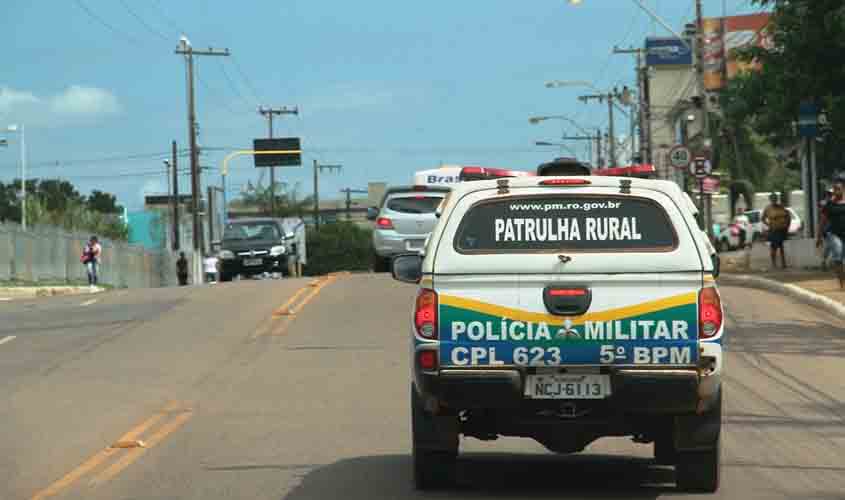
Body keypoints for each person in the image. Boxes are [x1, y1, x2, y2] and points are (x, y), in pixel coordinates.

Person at [818, 178, 845, 287]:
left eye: (838, 189)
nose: (835, 191)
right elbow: (823, 221)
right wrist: (819, 237)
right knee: (838, 258)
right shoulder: (829, 205)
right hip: (834, 234)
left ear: (843, 189)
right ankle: (842, 282)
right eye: (834, 189)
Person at [762, 193, 792, 269]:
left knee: (782, 246)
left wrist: (787, 225)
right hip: (774, 229)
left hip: (782, 229)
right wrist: (769, 224)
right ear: (770, 200)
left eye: (775, 198)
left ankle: (783, 263)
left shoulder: (781, 207)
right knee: (774, 247)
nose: (774, 200)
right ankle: (774, 264)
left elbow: (788, 216)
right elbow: (763, 218)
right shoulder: (768, 208)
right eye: (773, 199)